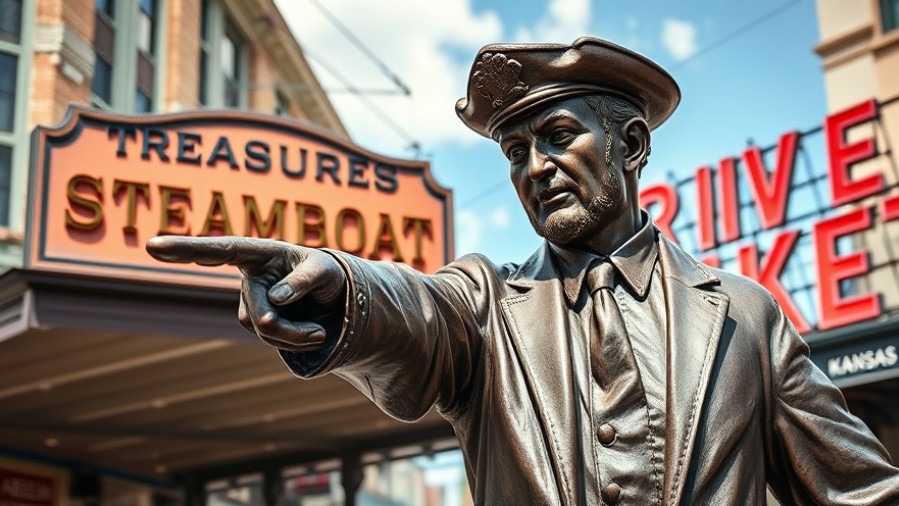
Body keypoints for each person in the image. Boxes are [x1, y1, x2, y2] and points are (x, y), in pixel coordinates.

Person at [147, 37, 899, 505]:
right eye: (515, 152)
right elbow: (417, 309)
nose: (535, 166)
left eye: (558, 136)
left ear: (632, 145)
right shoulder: (484, 306)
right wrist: (339, 287)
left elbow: (859, 491)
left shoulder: (745, 315)